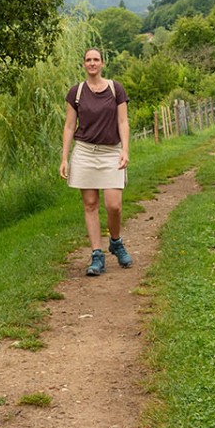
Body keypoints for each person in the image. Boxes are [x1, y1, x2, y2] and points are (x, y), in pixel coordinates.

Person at [59, 47, 132, 276]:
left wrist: (125, 150)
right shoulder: (76, 92)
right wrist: (64, 158)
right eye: (88, 60)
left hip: (111, 152)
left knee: (114, 205)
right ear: (84, 64)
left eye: (96, 60)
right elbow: (70, 126)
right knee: (90, 204)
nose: (92, 63)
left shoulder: (115, 89)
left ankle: (116, 241)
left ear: (102, 63)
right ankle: (96, 255)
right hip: (84, 152)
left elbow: (123, 122)